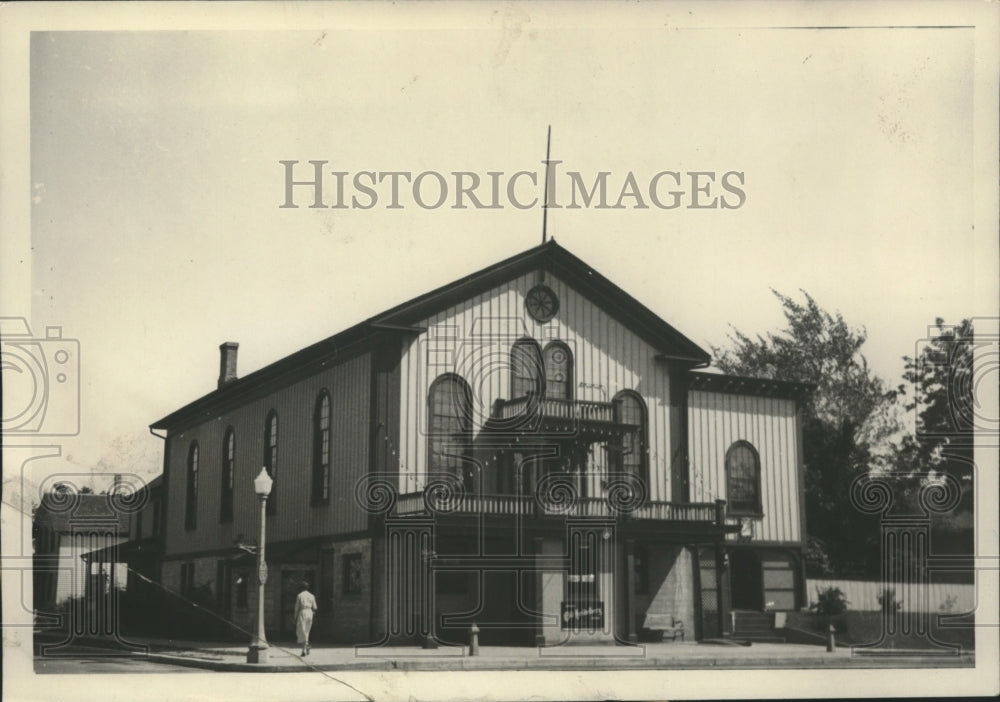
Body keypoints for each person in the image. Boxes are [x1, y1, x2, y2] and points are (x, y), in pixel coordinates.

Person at [294, 581, 317, 656]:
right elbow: (315, 607)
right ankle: (306, 647)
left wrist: (295, 617)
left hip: (303, 612)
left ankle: (304, 649)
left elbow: (296, 608)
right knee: (307, 631)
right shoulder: (312, 595)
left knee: (302, 631)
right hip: (310, 612)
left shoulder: (299, 595)